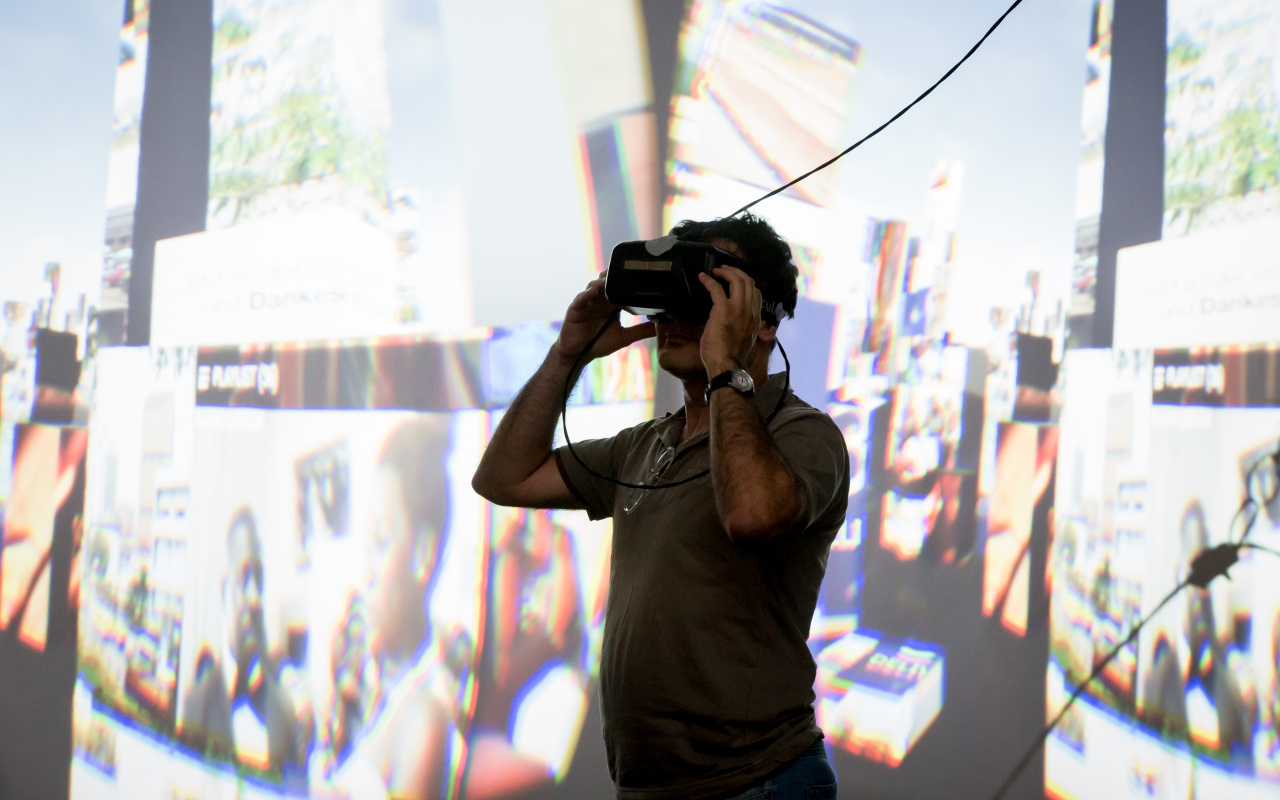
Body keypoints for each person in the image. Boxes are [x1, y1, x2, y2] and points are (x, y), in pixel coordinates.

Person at [472, 213, 850, 799]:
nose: (673, 312)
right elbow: (504, 478)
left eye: (706, 290)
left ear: (764, 320)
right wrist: (569, 353)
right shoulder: (645, 445)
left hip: (758, 783)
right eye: (671, 290)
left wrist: (725, 361)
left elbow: (750, 513)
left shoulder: (804, 435)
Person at [329, 415, 467, 799]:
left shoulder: (425, 721)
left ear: (422, 556)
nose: (365, 574)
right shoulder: (387, 684)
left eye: (380, 540)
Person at [178, 506, 305, 779]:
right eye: (244, 578)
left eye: (259, 581)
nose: (254, 598)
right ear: (225, 591)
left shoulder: (285, 712)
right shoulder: (195, 707)